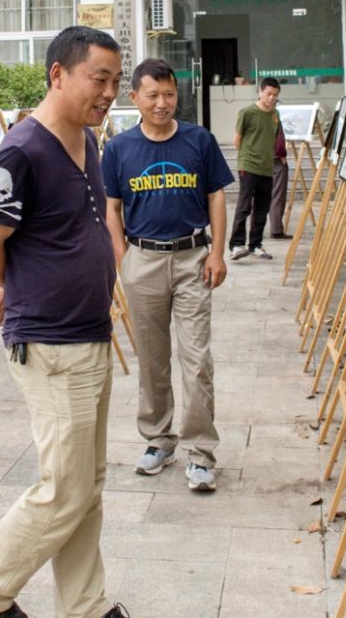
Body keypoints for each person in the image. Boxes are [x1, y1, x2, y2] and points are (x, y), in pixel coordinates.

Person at [0, 26, 129, 618]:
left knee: (88, 484)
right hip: (53, 343)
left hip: (90, 331)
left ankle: (85, 604)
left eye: (115, 80)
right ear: (58, 74)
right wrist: (17, 286)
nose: (108, 91)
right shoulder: (22, 151)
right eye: (98, 78)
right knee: (64, 488)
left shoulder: (89, 140)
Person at [102, 58, 233, 492]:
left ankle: (201, 452)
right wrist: (123, 258)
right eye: (153, 95)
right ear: (134, 98)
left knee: (196, 359)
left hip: (192, 258)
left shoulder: (199, 140)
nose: (162, 103)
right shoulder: (119, 149)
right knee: (152, 359)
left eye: (170, 95)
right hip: (143, 261)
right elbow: (112, 208)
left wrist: (217, 252)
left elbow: (216, 197)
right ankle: (159, 439)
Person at [229, 77, 282, 260]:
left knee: (262, 207)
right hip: (249, 165)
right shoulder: (247, 112)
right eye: (268, 94)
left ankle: (255, 245)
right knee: (244, 206)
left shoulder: (275, 115)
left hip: (267, 167)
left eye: (275, 95)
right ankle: (236, 245)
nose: (271, 98)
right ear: (260, 92)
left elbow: (274, 137)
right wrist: (247, 157)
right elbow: (237, 140)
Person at [268, 119, 291, 240]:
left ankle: (254, 228)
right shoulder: (274, 117)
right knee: (277, 195)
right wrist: (282, 156)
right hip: (275, 158)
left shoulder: (251, 115)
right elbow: (279, 140)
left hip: (258, 160)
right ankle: (276, 229)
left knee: (257, 196)